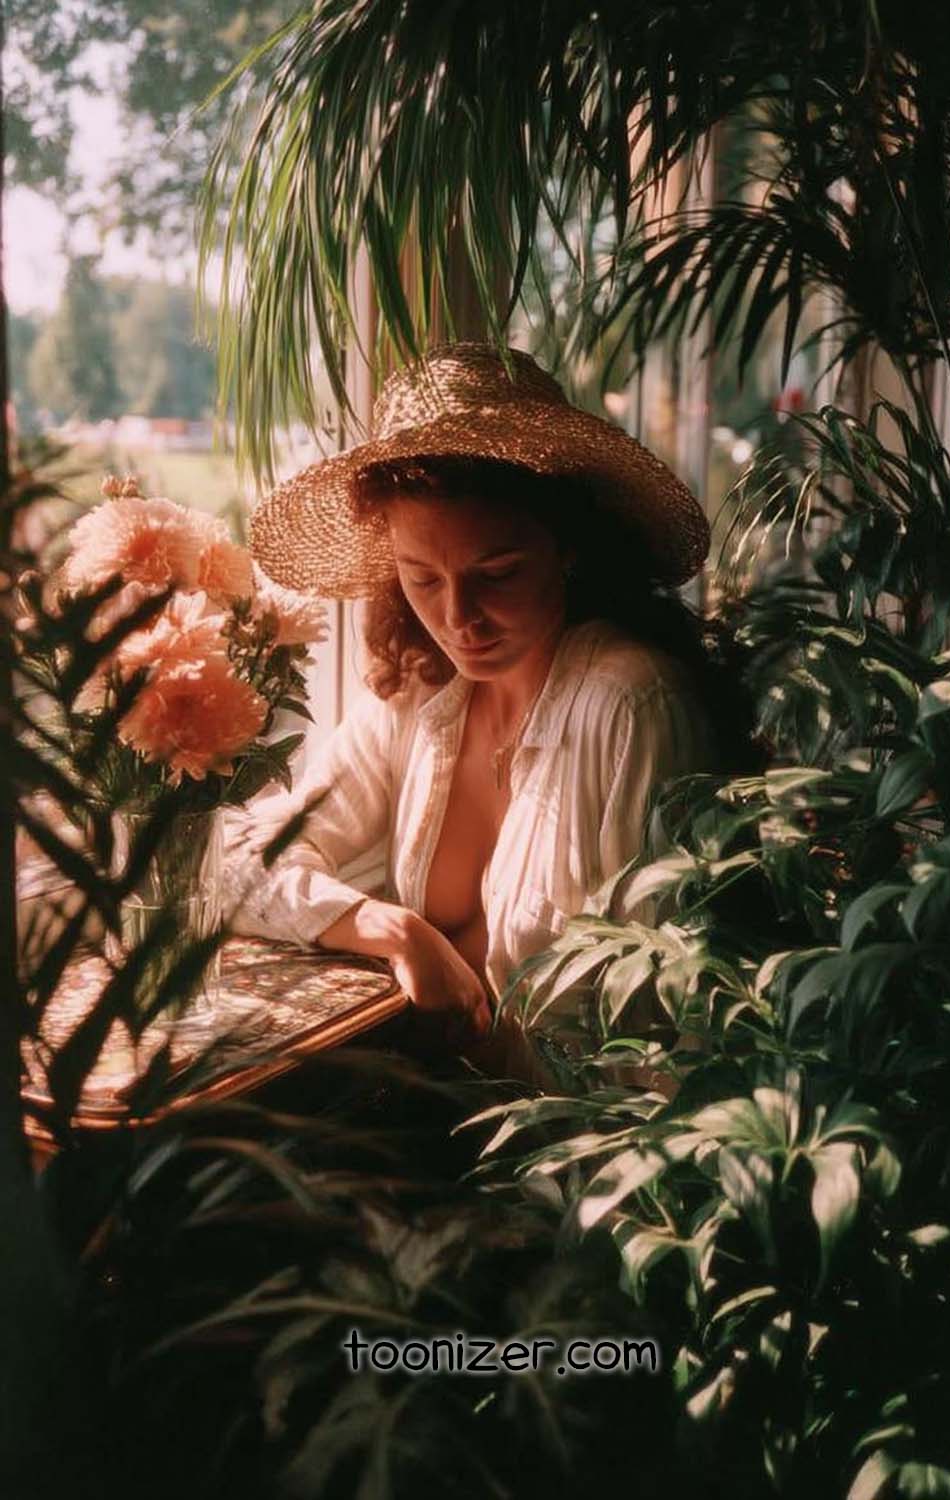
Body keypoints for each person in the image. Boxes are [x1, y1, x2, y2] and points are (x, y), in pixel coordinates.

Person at [225, 342, 737, 1084]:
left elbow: (669, 1027)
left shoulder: (632, 706)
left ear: (566, 544)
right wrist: (396, 932)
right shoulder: (421, 696)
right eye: (421, 578)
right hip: (427, 1118)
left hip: (562, 1160)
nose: (458, 618)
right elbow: (240, 865)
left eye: (496, 574)